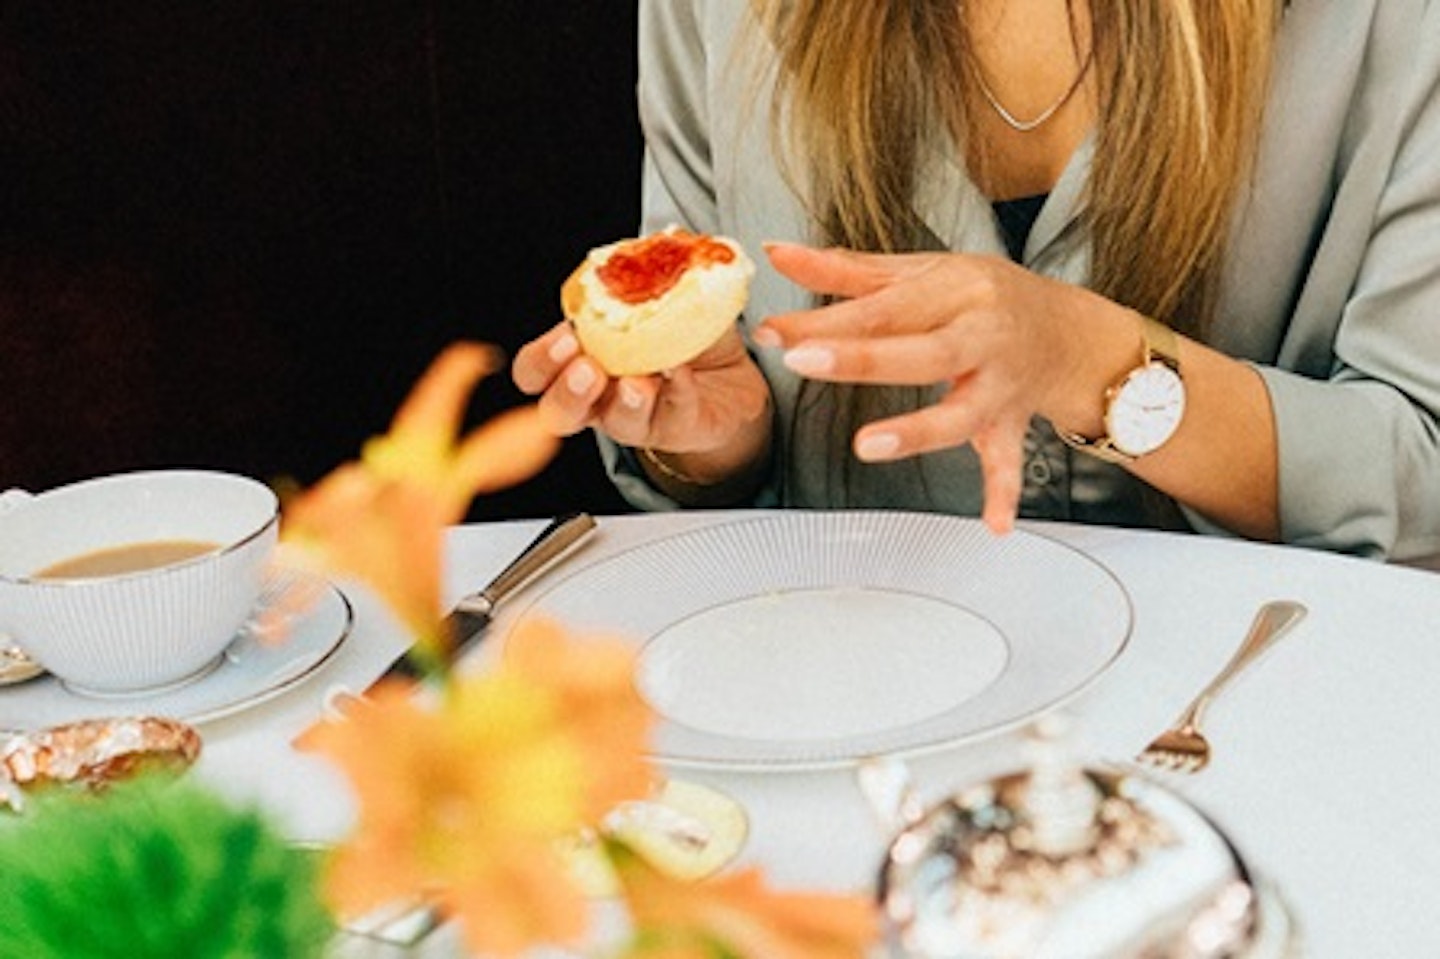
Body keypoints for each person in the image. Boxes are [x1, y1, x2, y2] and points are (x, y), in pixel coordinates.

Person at [514, 0, 1440, 562]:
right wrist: (714, 444)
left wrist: (1095, 365)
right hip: (852, 693)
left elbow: (1421, 476)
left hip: (1257, 701)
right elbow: (711, 477)